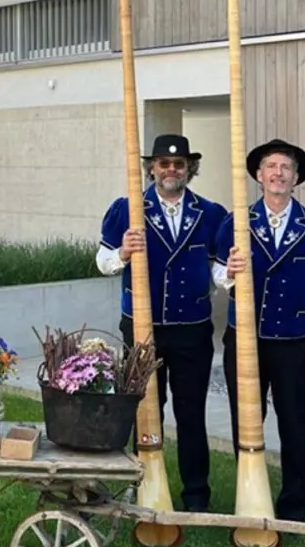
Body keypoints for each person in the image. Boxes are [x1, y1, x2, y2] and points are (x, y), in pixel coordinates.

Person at [213, 138, 305, 522]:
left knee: (294, 423)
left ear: (296, 177)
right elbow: (218, 275)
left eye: (286, 167)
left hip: (294, 343)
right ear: (258, 175)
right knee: (246, 421)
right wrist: (231, 273)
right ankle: (250, 496)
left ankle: (293, 507)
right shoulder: (235, 224)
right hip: (245, 339)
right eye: (271, 166)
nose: (278, 173)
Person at [96, 133, 228, 512]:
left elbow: (219, 272)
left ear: (190, 169)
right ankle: (144, 486)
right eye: (164, 163)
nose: (171, 169)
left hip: (191, 328)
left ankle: (196, 497)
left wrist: (229, 277)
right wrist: (123, 251)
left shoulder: (210, 213)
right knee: (145, 410)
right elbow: (103, 262)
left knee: (191, 412)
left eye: (179, 164)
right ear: (151, 168)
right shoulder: (127, 209)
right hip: (141, 326)